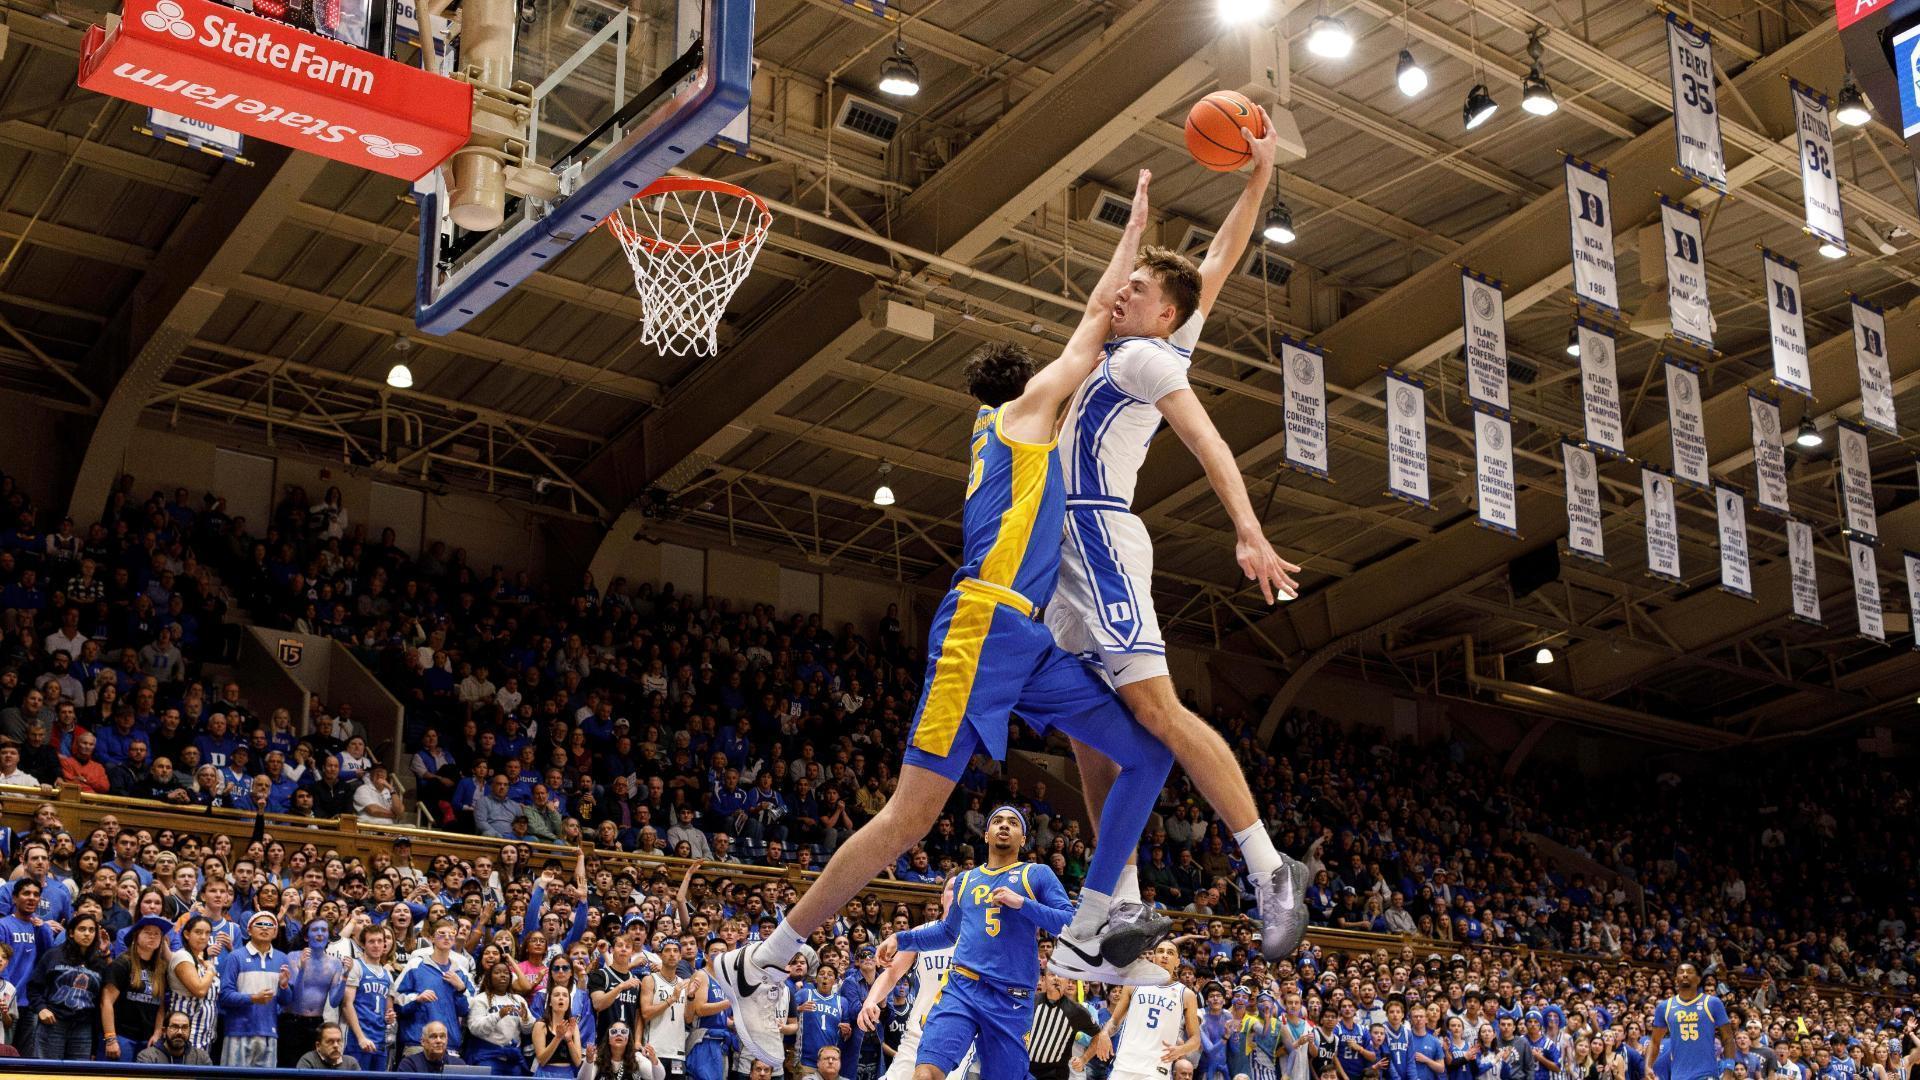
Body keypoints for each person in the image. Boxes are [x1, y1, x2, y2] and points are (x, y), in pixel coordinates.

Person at [714, 171, 1179, 1067]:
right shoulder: (1024, 414)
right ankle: (762, 961)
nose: (1076, 370)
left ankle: (1093, 926)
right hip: (982, 629)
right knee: (908, 821)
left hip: (1026, 639)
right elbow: (1091, 317)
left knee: (1146, 751)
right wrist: (1134, 235)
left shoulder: (1002, 432)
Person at [1044, 104, 1308, 971]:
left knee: (1156, 713)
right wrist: (1259, 178)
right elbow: (1220, 262)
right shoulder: (1131, 339)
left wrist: (1247, 531)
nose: (1124, 295)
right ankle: (1116, 905)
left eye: (1140, 293)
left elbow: (1209, 441)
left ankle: (1271, 869)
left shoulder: (1149, 360)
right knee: (1087, 731)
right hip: (1061, 552)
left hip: (1103, 539)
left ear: (1164, 318)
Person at [877, 806, 1072, 1080]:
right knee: (924, 1074)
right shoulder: (965, 881)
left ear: (1023, 839)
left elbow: (1069, 923)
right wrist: (901, 938)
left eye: (1013, 823)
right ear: (986, 835)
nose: (1004, 825)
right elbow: (947, 933)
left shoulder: (1037, 874)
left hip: (1010, 998)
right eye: (998, 821)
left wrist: (1022, 904)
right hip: (962, 987)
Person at [857, 897, 975, 1080]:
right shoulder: (922, 932)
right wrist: (870, 1001)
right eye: (953, 888)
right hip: (918, 1031)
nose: (958, 894)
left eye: (963, 891)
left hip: (958, 1036)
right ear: (942, 898)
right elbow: (891, 974)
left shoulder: (980, 938)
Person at [1093, 941, 1201, 1080]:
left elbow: (1195, 1039)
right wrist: (1104, 1033)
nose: (1165, 955)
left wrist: (1181, 1049)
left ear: (1177, 962)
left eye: (1170, 953)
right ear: (1154, 957)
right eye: (1160, 951)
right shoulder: (1134, 983)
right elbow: (1114, 1021)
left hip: (1156, 1070)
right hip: (1125, 1065)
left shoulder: (1186, 995)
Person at [26, 911, 107, 1060]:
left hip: (83, 1028)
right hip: (53, 1024)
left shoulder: (99, 963)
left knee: (77, 1074)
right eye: (82, 929)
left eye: (91, 930)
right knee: (48, 1073)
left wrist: (95, 1045)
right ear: (71, 933)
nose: (87, 934)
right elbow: (33, 987)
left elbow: (101, 1002)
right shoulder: (53, 955)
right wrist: (41, 1008)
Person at [217, 909, 291, 1067]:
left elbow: (286, 1001)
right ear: (249, 930)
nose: (265, 928)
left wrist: (284, 986)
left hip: (269, 1033)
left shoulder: (282, 958)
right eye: (260, 924)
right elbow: (224, 996)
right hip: (238, 1031)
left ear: (276, 932)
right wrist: (252, 998)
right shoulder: (235, 956)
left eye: (269, 925)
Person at [1647, 963, 1735, 1080]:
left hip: (1706, 1074)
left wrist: (1729, 1070)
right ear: (1675, 979)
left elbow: (1728, 1038)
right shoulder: (1664, 1007)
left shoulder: (1713, 1003)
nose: (1684, 975)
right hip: (1678, 1075)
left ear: (1698, 979)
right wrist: (1648, 1066)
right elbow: (1654, 1041)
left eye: (1689, 972)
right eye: (1681, 972)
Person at [103, 912, 170, 1061]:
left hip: (147, 1040)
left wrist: (158, 1033)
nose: (152, 936)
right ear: (136, 936)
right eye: (147, 932)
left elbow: (160, 1006)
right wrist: (110, 1038)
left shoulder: (162, 968)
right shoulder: (122, 963)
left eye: (157, 934)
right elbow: (106, 1002)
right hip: (122, 1037)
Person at [341, 922, 399, 1071]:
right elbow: (347, 1005)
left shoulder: (387, 975)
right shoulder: (356, 967)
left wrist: (390, 1017)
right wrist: (360, 1038)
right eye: (371, 941)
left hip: (380, 1040)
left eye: (380, 941)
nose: (376, 945)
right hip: (357, 1038)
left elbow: (388, 1012)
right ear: (363, 944)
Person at [1028, 974, 1102, 1080]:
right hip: (1025, 1069)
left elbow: (1098, 1035)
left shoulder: (1077, 1011)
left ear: (1067, 982)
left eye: (1061, 976)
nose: (1056, 978)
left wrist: (1084, 1059)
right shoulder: (1030, 1002)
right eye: (1052, 974)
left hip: (1055, 1074)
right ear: (1044, 979)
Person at [135, 1010, 215, 1066]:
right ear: (164, 1030)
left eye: (184, 1027)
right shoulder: (147, 1057)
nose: (180, 1032)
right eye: (174, 1027)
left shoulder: (202, 1058)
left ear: (190, 1031)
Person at [399, 1020, 469, 1073]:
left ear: (447, 1041)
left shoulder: (458, 1065)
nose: (439, 1041)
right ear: (423, 1041)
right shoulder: (409, 1064)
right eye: (433, 1037)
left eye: (442, 1036)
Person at [298, 1021, 365, 1070]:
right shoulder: (308, 1061)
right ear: (318, 1045)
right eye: (330, 1042)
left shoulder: (351, 1063)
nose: (336, 1045)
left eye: (339, 1041)